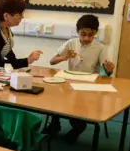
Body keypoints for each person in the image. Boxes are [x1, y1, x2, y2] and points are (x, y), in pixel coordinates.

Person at [46, 14, 115, 142]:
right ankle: (55, 125)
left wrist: (108, 70)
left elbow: (105, 74)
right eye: (83, 34)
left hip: (89, 84)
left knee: (77, 110)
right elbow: (52, 61)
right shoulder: (71, 43)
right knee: (53, 99)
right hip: (69, 82)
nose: (87, 38)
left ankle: (77, 128)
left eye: (91, 34)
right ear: (77, 31)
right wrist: (64, 57)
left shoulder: (99, 47)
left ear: (96, 33)